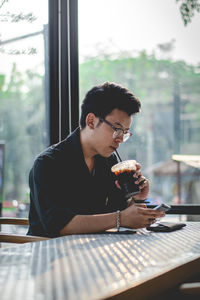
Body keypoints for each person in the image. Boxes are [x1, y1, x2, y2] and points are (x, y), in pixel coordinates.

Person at [27, 82, 164, 237]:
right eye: (117, 129)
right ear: (91, 121)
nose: (119, 139)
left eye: (125, 133)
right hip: (49, 253)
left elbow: (118, 212)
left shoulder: (109, 162)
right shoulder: (48, 163)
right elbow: (58, 225)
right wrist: (120, 219)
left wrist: (137, 198)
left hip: (93, 251)